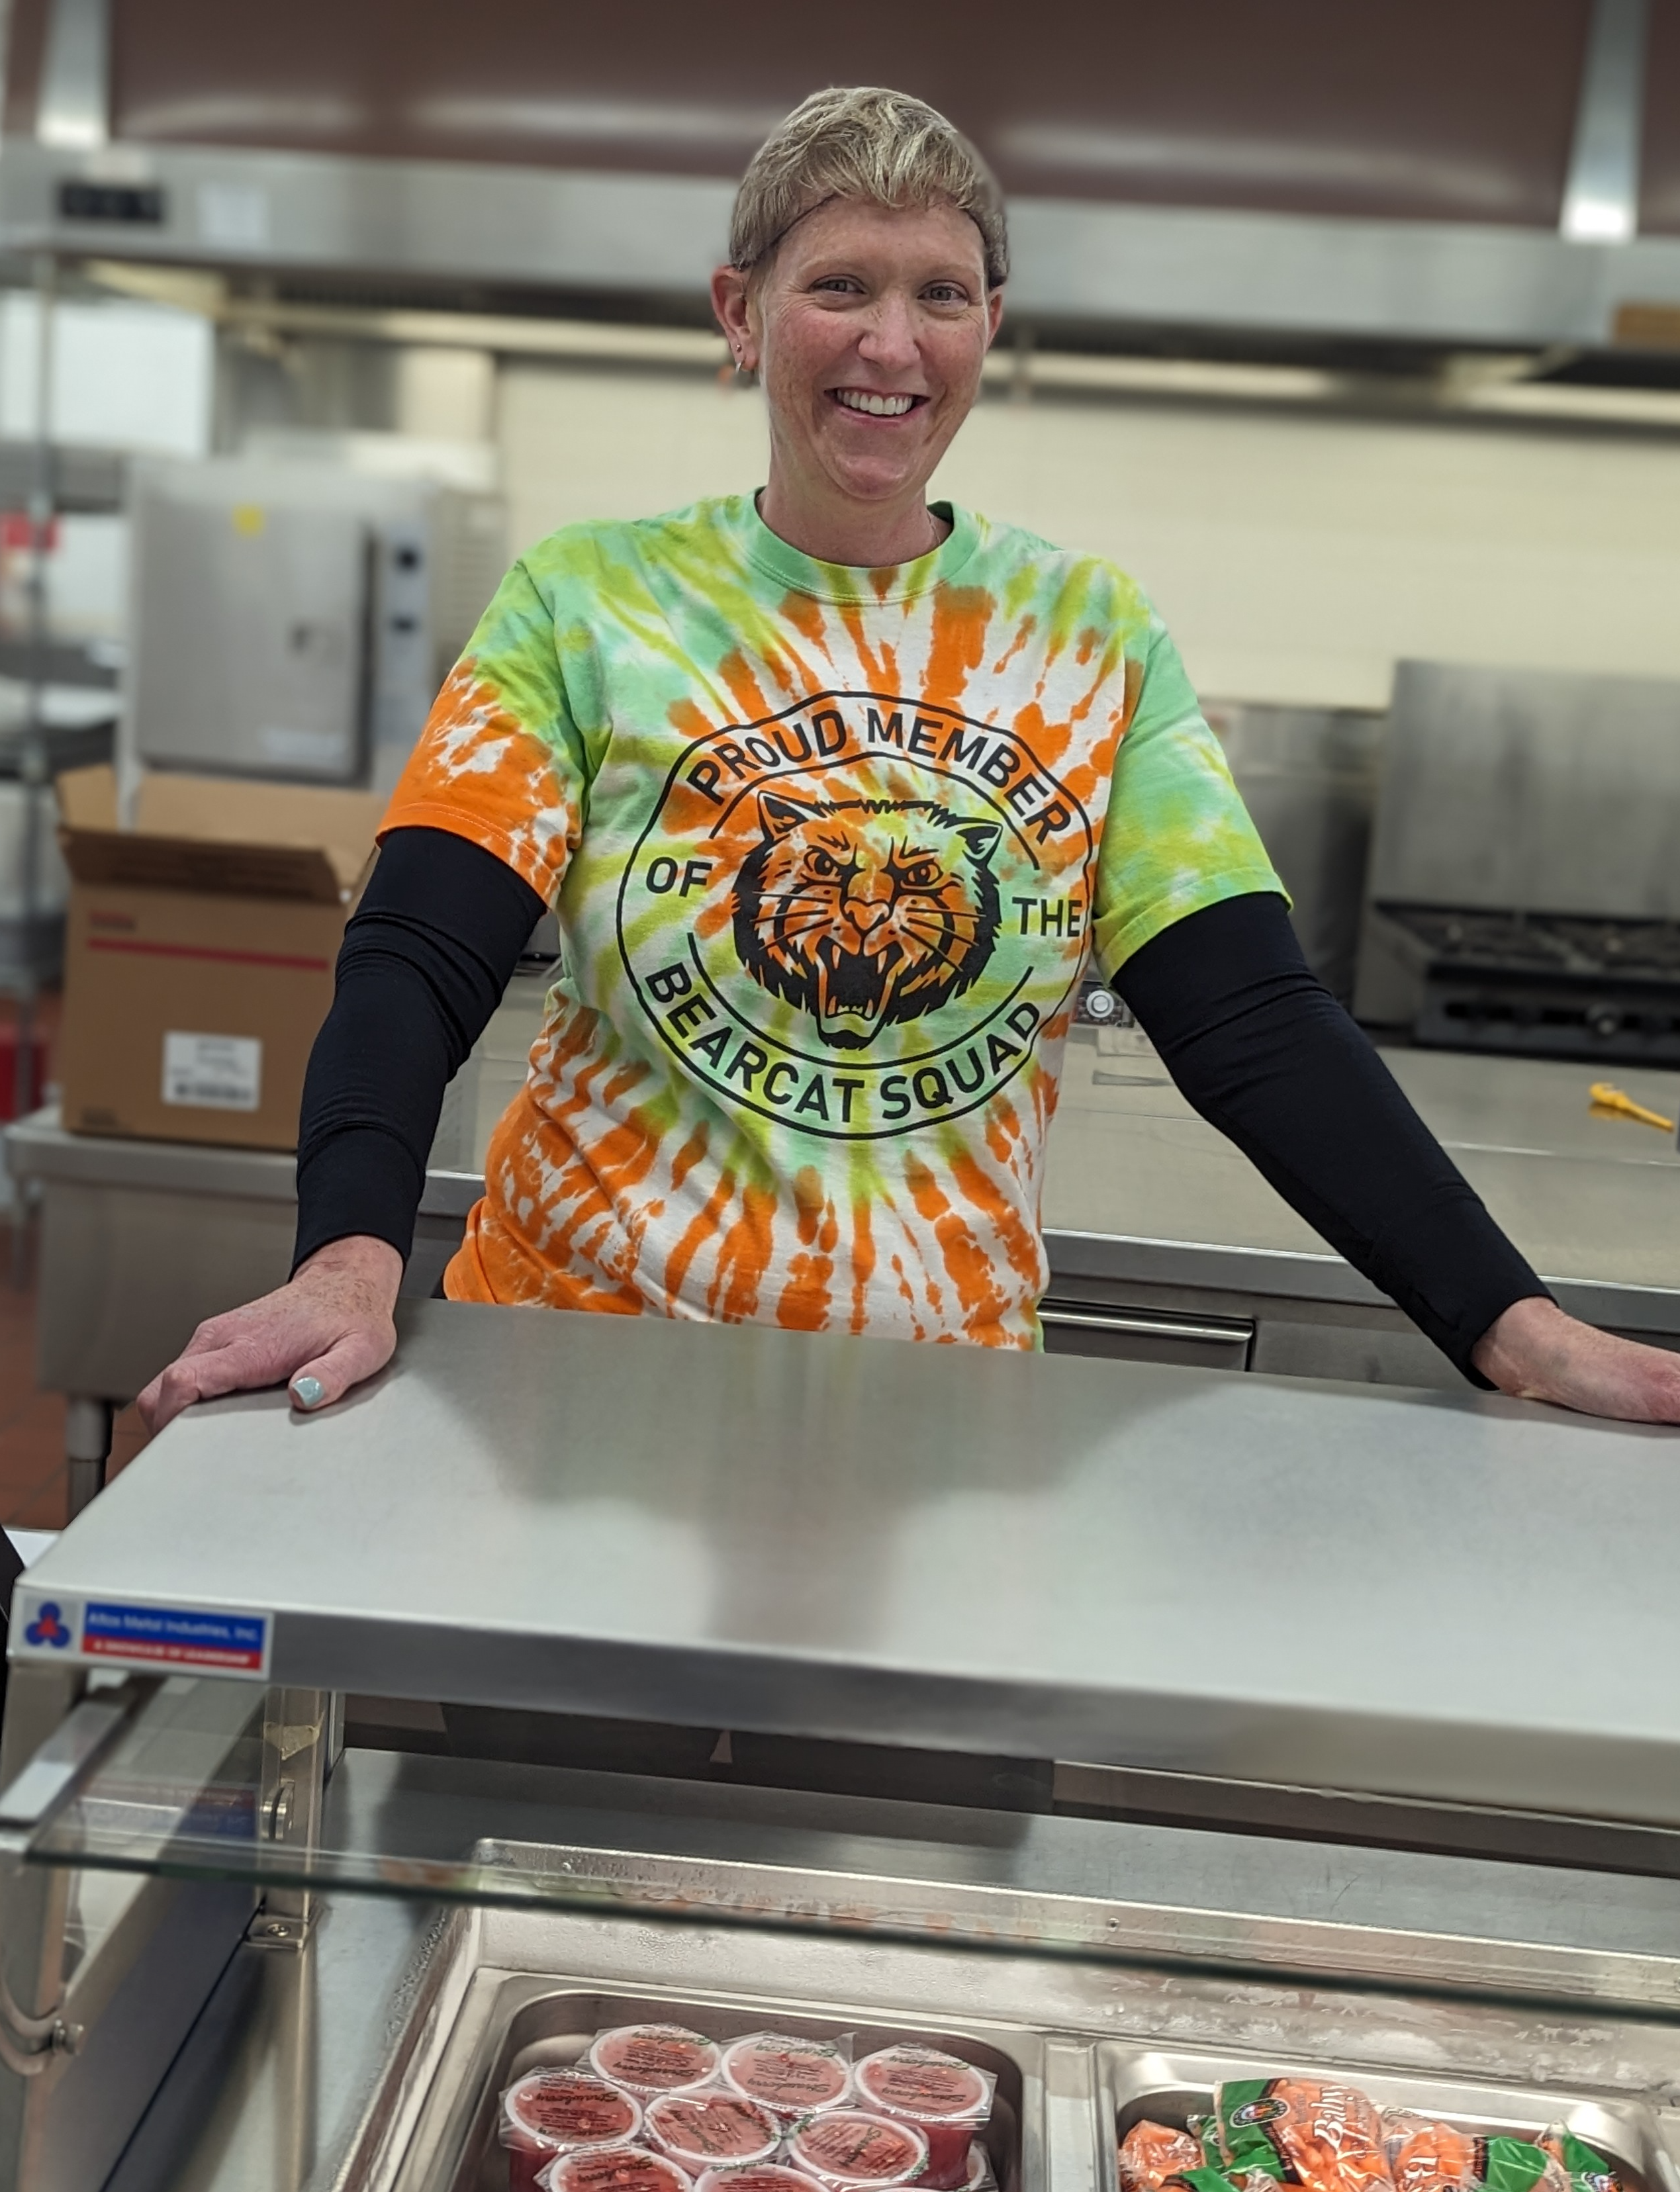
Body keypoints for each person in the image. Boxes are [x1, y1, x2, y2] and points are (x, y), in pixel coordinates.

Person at [140, 85, 1680, 1434]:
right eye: (841, 286)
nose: (893, 342)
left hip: (932, 1418)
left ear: (990, 325)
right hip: (569, 1378)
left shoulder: (1089, 634)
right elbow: (419, 950)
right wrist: (348, 1253)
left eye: (942, 291)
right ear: (739, 314)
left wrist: (1513, 1325)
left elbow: (1252, 1020)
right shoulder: (593, 599)